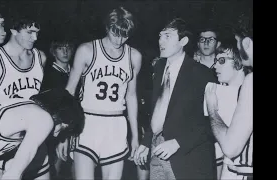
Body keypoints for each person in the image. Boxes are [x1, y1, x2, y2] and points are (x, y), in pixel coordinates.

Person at [63, 6, 142, 180]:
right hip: (87, 123)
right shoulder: (87, 50)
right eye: (116, 33)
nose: (119, 40)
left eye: (125, 35)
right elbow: (69, 91)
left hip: (116, 126)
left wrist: (135, 136)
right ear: (107, 27)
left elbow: (131, 96)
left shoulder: (134, 56)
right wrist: (64, 131)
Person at [134, 18, 218, 179]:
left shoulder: (201, 74)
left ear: (183, 41)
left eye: (167, 36)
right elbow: (159, 110)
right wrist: (146, 142)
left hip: (188, 159)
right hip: (157, 152)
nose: (160, 41)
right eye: (160, 36)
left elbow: (212, 122)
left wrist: (178, 142)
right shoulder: (158, 69)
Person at [205, 14, 253, 180]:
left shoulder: (249, 83)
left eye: (222, 60)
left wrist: (212, 107)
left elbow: (230, 148)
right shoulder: (220, 89)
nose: (215, 66)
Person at [0, 13, 46, 99]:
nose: (35, 38)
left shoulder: (41, 57)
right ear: (13, 31)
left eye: (37, 33)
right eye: (29, 32)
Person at [40, 39, 75, 179]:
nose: (65, 51)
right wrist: (62, 135)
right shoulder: (48, 76)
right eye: (61, 48)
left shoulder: (77, 73)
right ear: (53, 52)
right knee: (56, 168)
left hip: (77, 127)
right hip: (57, 130)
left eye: (68, 47)